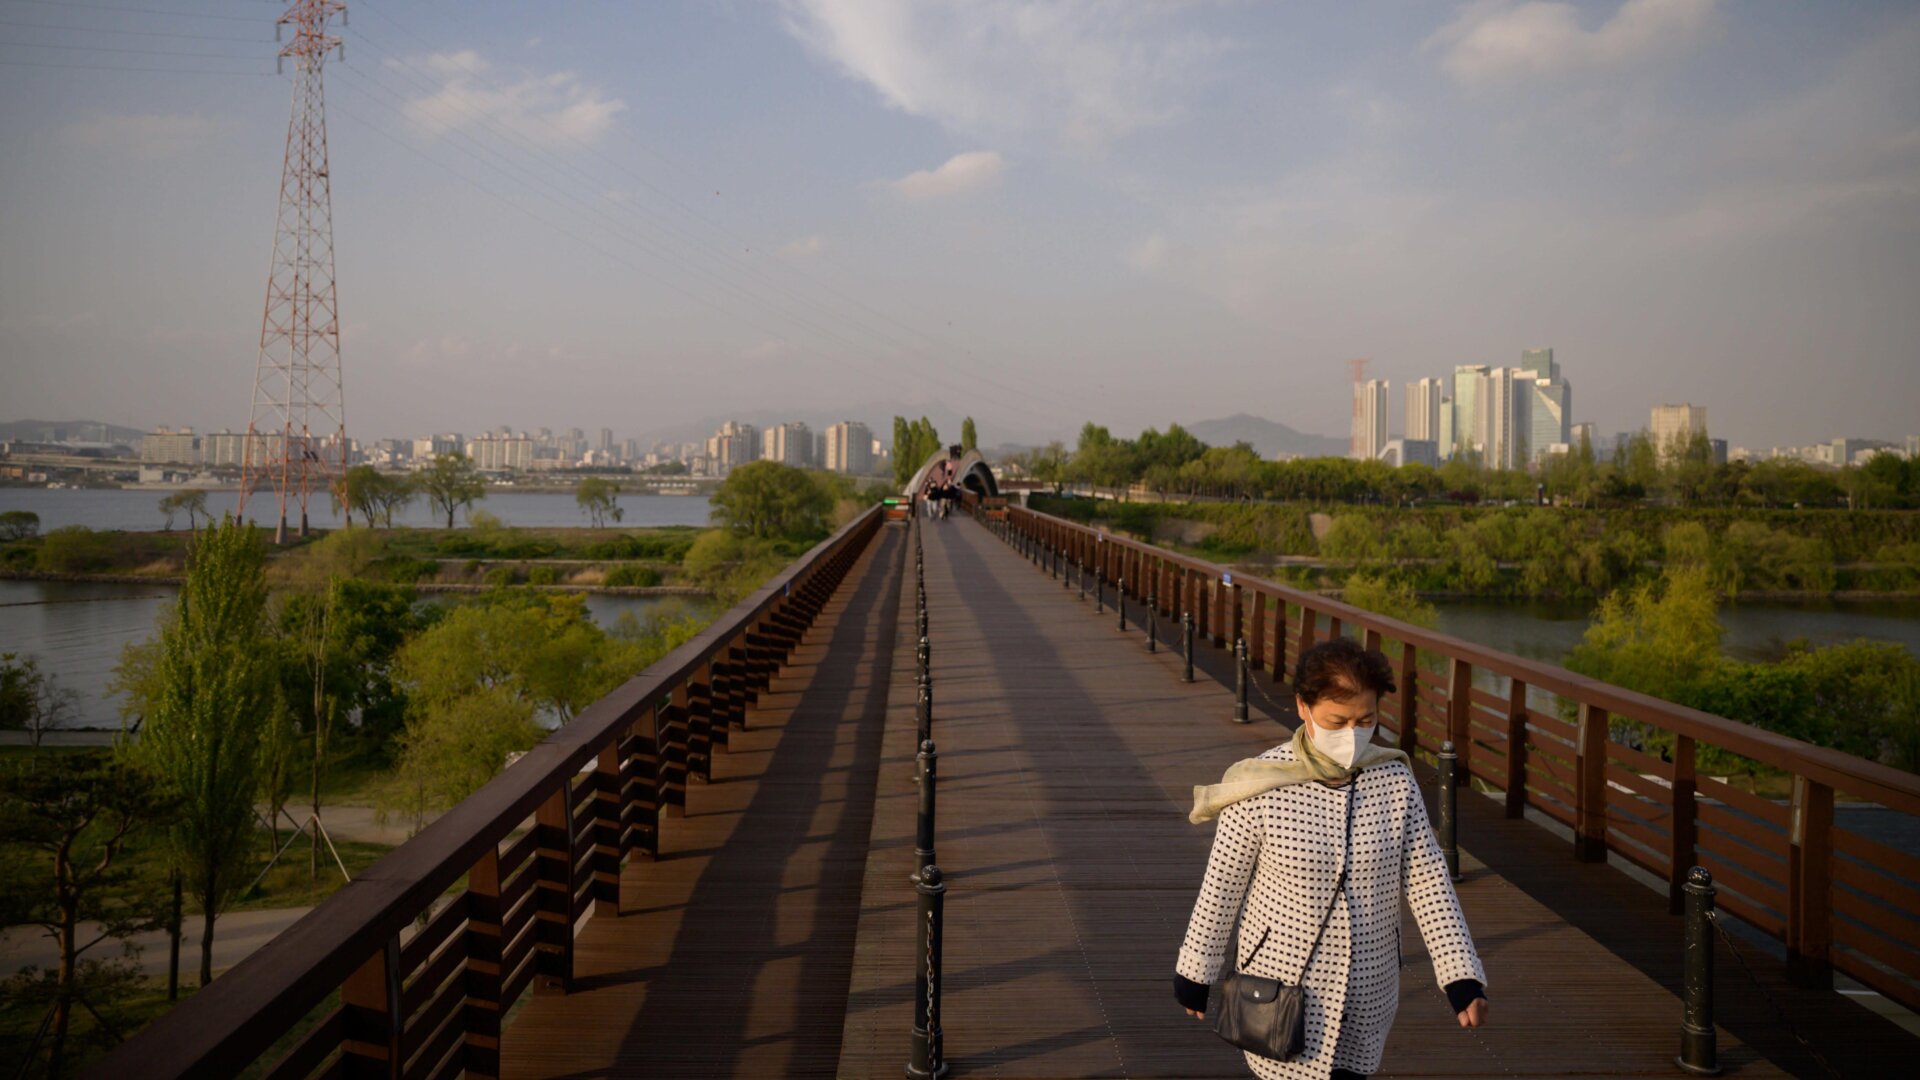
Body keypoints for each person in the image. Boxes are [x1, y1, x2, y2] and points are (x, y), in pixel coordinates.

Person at [1174, 638, 1488, 1080]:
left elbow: (1428, 881)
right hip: (1278, 989)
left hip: (1369, 989)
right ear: (1304, 707)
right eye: (1337, 721)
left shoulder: (1394, 779)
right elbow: (1222, 886)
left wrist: (1461, 978)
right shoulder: (1260, 785)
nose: (1352, 734)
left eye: (1366, 721)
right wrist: (1195, 972)